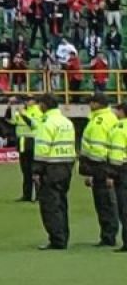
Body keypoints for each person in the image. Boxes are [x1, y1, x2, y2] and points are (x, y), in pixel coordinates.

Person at [32, 93, 76, 250]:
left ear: (44, 105)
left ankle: (57, 239)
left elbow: (42, 148)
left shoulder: (46, 122)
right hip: (66, 165)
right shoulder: (66, 121)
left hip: (51, 167)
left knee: (50, 205)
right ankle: (63, 235)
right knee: (62, 203)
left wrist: (37, 170)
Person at [79, 93, 120, 247]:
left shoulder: (98, 122)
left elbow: (96, 149)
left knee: (104, 203)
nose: (89, 105)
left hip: (100, 166)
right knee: (111, 202)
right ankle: (110, 233)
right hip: (110, 164)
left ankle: (108, 236)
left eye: (91, 102)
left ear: (97, 104)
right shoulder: (111, 118)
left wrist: (90, 171)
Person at [8, 96, 44, 202]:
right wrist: (9, 107)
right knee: (25, 170)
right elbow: (10, 120)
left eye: (29, 100)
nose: (27, 102)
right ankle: (26, 195)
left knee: (35, 170)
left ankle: (39, 195)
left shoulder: (37, 111)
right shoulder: (22, 110)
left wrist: (23, 114)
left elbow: (33, 125)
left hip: (32, 141)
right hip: (22, 141)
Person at [108, 103, 127, 252]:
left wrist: (111, 174)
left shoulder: (120, 128)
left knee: (124, 208)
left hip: (123, 170)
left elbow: (116, 154)